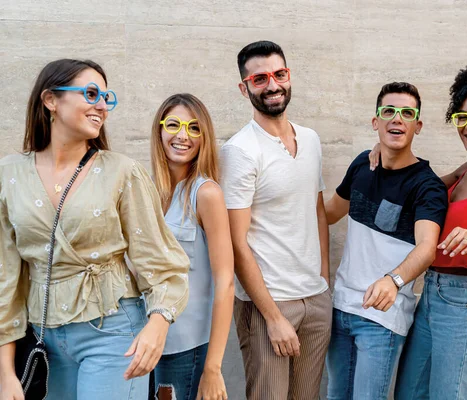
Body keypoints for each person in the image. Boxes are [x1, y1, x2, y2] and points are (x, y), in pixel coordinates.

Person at [0, 59, 189, 400]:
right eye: (90, 94)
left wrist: (158, 324)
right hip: (43, 340)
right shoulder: (9, 174)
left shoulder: (122, 172)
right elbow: (6, 278)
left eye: (106, 97)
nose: (102, 106)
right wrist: (5, 373)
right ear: (50, 100)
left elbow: (162, 263)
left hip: (113, 331)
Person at [371, 59, 467, 399]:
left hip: (466, 306)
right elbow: (416, 185)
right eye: (463, 117)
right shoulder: (465, 172)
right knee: (408, 395)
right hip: (430, 297)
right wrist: (386, 150)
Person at [219, 40, 331, 400]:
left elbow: (317, 211)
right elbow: (236, 244)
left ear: (288, 75)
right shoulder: (239, 151)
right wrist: (273, 317)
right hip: (268, 304)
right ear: (244, 87)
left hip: (314, 299)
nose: (272, 85)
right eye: (260, 79)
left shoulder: (311, 139)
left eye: (279, 74)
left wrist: (323, 282)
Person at [324, 82, 448, 400]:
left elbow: (426, 247)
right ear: (375, 121)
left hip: (382, 318)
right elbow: (327, 214)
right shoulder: (362, 165)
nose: (397, 118)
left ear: (417, 125)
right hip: (340, 309)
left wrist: (393, 281)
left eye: (407, 113)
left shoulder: (427, 186)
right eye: (388, 111)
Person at [149, 94, 234, 400]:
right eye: (174, 124)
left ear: (204, 137)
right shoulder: (150, 192)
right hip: (145, 341)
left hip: (185, 348)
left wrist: (213, 367)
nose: (183, 135)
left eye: (194, 128)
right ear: (160, 130)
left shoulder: (206, 193)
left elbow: (225, 281)